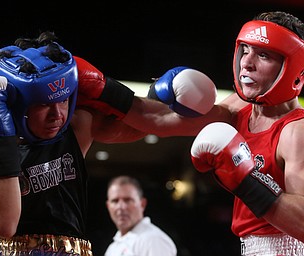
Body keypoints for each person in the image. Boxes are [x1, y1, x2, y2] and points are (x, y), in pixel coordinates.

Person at [119, 11, 304, 255]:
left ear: (293, 68)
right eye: (245, 50)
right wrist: (102, 90)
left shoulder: (296, 131)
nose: (247, 63)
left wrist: (247, 181)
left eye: (263, 54)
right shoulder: (241, 108)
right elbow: (162, 120)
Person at [0, 31, 148, 255]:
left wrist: (119, 91)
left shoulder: (78, 125)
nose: (57, 115)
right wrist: (0, 137)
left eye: (63, 100)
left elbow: (145, 123)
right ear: (18, 102)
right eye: (43, 104)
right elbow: (3, 226)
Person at [104, 175, 177, 256]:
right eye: (115, 201)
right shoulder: (113, 247)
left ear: (142, 204)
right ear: (108, 206)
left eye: (128, 200)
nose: (121, 207)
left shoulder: (153, 240)